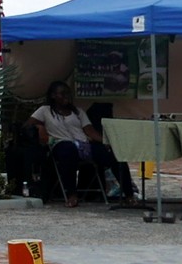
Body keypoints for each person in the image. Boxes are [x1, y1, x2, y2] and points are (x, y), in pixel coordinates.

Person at [31, 79, 118, 208]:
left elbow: (90, 131)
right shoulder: (45, 110)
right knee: (68, 150)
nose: (66, 96)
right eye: (62, 93)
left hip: (83, 145)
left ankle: (128, 194)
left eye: (68, 93)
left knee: (112, 153)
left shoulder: (78, 112)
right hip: (61, 144)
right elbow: (29, 123)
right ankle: (72, 194)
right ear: (53, 96)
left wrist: (108, 142)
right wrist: (40, 126)